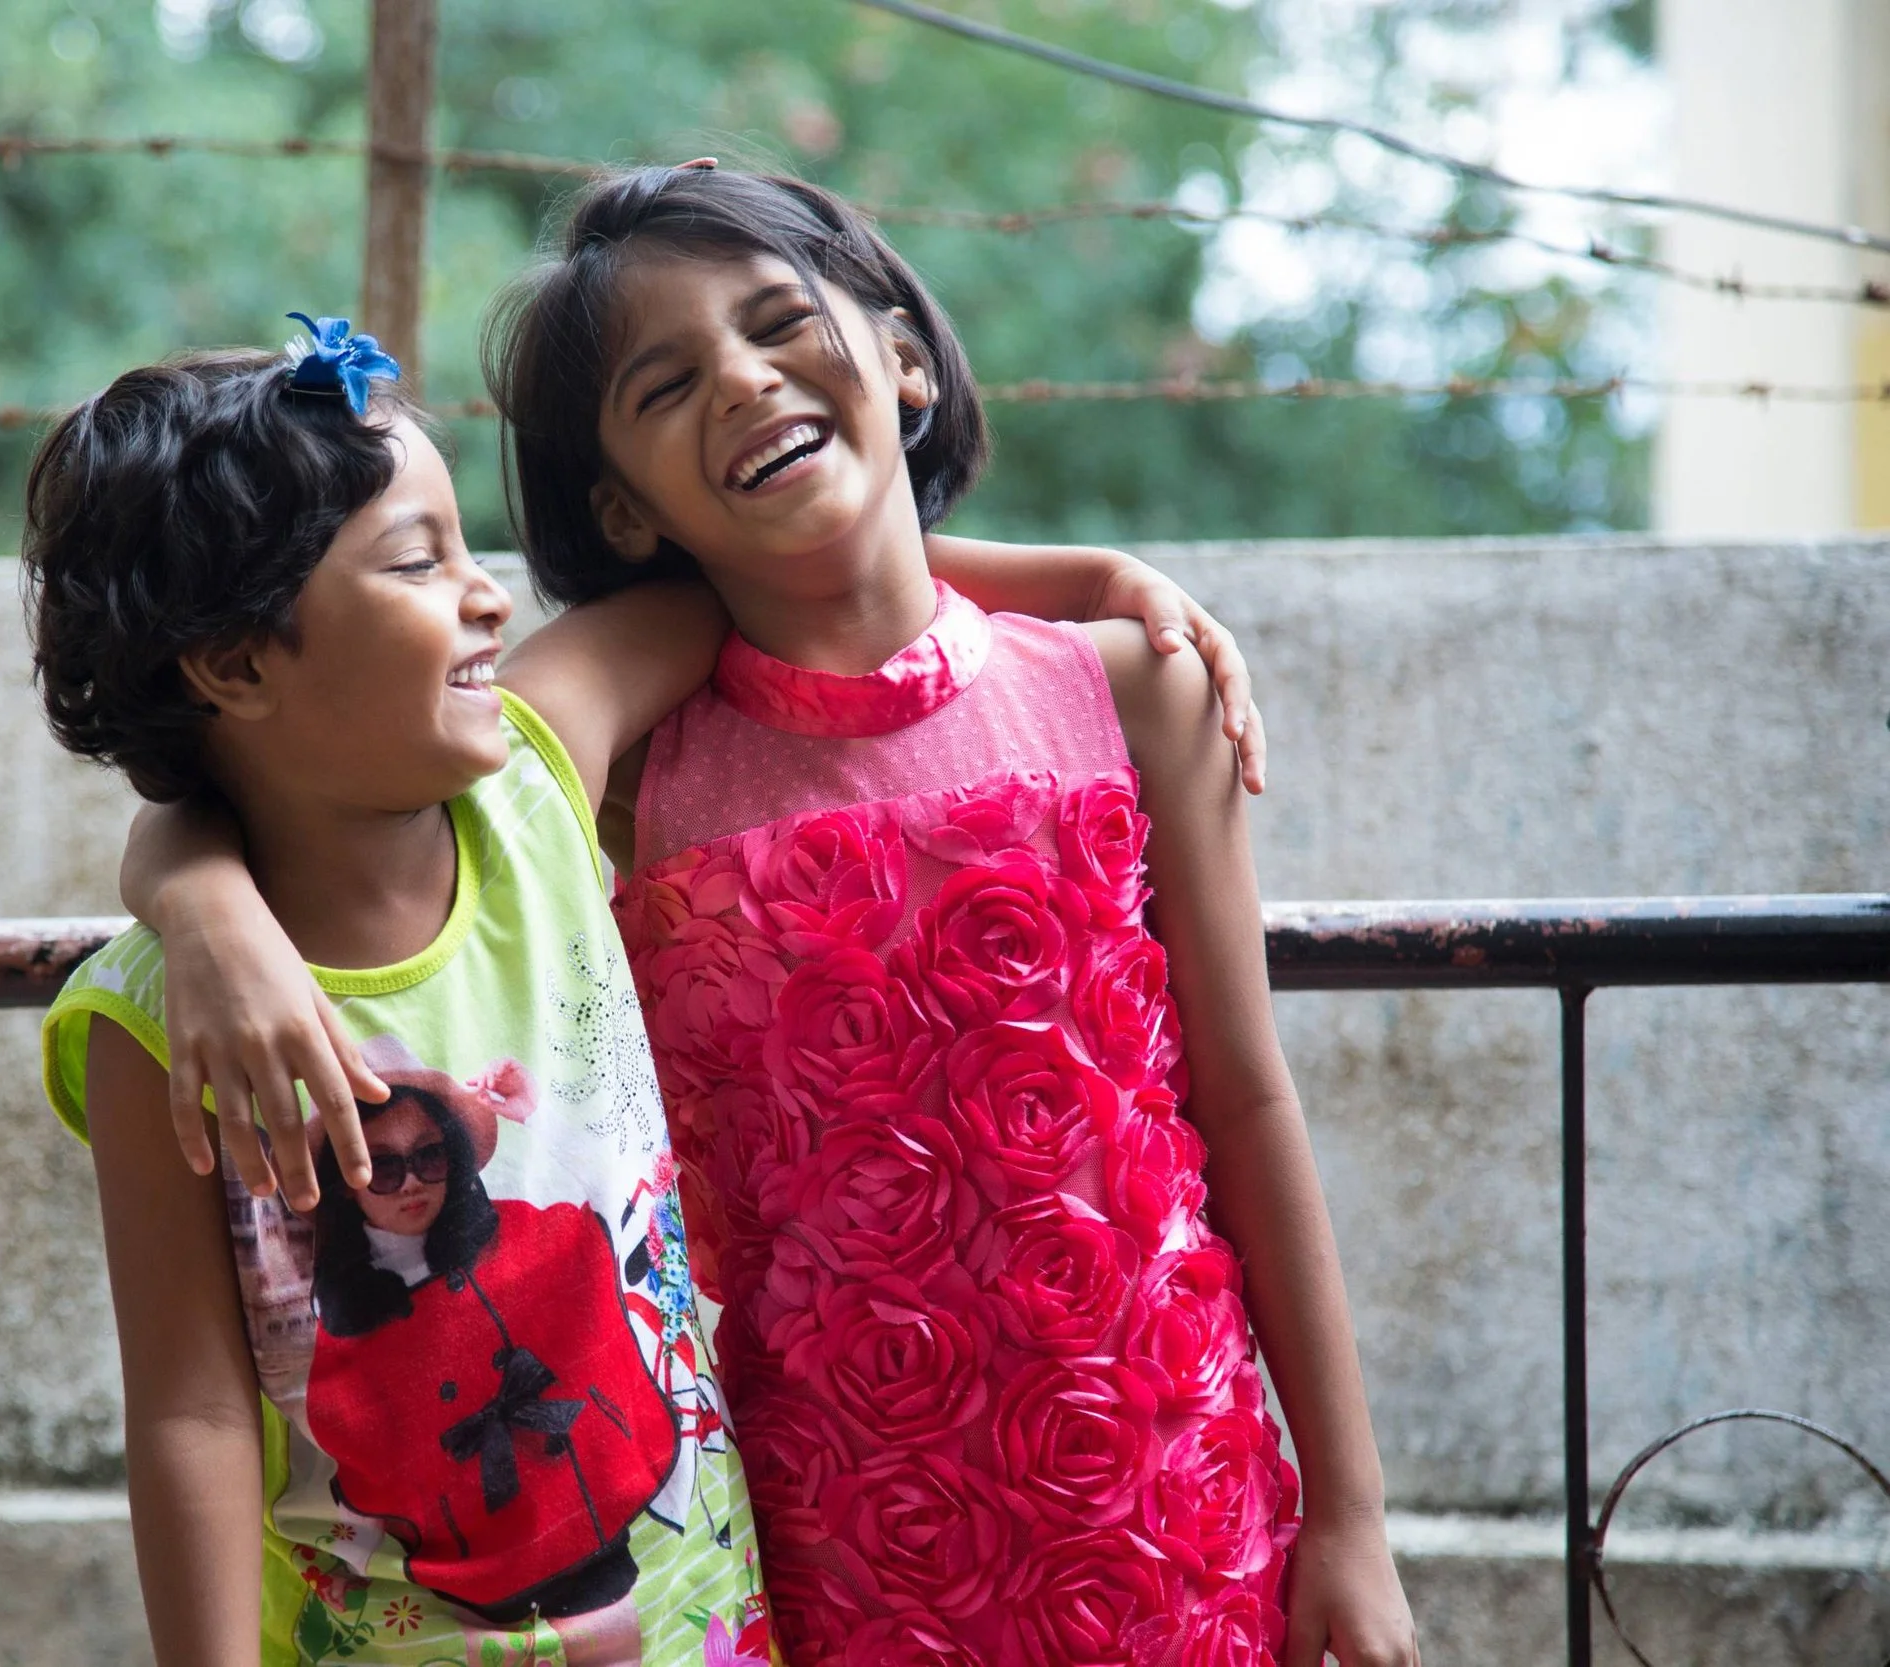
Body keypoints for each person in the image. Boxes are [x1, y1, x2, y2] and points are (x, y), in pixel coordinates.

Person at [133, 166, 1419, 1667]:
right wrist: (196, 897)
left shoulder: (1135, 689)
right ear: (621, 505)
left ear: (906, 358)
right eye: (667, 385)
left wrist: (1351, 1513)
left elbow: (1248, 1100)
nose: (742, 381)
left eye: (776, 324)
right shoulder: (622, 768)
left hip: (1168, 1505)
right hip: (822, 1553)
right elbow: (287, 782)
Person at [29, 330, 776, 1667]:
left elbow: (738, 581)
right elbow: (194, 1412)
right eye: (418, 561)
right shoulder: (153, 1024)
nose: (490, 596)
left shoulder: (537, 793)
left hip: (697, 1632)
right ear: (236, 666)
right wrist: (194, 897)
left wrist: (1075, 585)